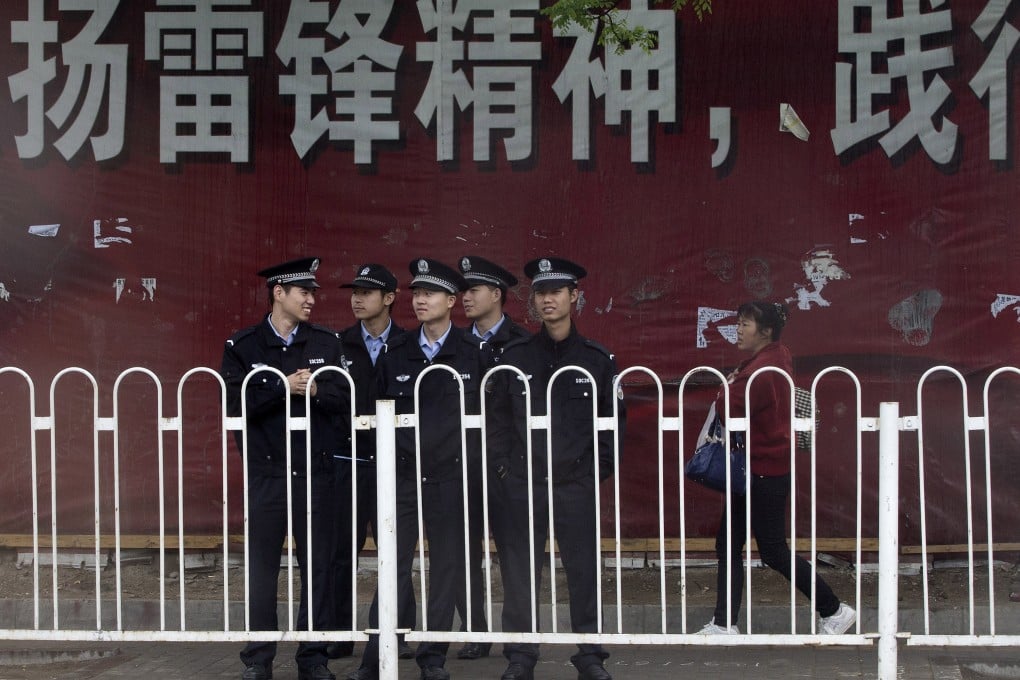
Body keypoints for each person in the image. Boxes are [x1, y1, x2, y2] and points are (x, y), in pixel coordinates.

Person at [348, 258, 491, 680]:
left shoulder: (472, 353)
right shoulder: (397, 353)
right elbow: (374, 414)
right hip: (403, 478)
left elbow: (489, 418)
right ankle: (374, 659)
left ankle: (433, 658)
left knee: (447, 568)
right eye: (417, 293)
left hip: (451, 477)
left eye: (431, 293)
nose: (421, 300)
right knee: (392, 567)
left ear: (452, 301)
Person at [487, 257, 624, 680]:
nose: (547, 300)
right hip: (524, 484)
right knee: (520, 569)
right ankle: (521, 655)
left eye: (556, 292)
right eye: (540, 293)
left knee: (583, 570)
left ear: (574, 297)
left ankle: (590, 656)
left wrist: (590, 473)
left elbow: (611, 429)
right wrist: (506, 473)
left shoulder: (597, 359)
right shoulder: (516, 355)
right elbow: (496, 424)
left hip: (573, 485)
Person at [697, 301, 856, 636]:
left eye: (745, 324)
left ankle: (834, 610)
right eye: (738, 323)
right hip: (762, 468)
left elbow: (729, 407)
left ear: (765, 331)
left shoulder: (760, 371)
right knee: (729, 542)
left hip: (762, 471)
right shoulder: (776, 356)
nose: (737, 330)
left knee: (772, 550)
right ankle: (724, 623)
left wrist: (728, 383)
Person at [220, 257, 345, 680]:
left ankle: (314, 657)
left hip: (316, 472)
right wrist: (280, 385)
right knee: (262, 568)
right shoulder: (244, 346)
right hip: (268, 473)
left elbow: (344, 400)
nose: (311, 299)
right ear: (279, 293)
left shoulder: (327, 343)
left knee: (319, 566)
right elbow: (233, 404)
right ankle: (258, 659)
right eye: (302, 291)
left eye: (312, 292)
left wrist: (313, 391)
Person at [328, 264, 414, 661]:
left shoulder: (408, 345)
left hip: (395, 463)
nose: (357, 299)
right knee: (342, 549)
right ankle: (340, 633)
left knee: (394, 551)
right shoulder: (338, 344)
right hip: (350, 459)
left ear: (390, 298)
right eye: (354, 291)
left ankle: (398, 632)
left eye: (367, 292)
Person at [453, 255, 531, 661]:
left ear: (496, 295)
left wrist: (514, 463)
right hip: (462, 465)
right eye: (463, 290)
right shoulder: (457, 344)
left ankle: (519, 638)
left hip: (508, 469)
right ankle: (475, 632)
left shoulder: (522, 343)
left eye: (473, 290)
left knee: (515, 554)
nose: (464, 298)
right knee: (464, 552)